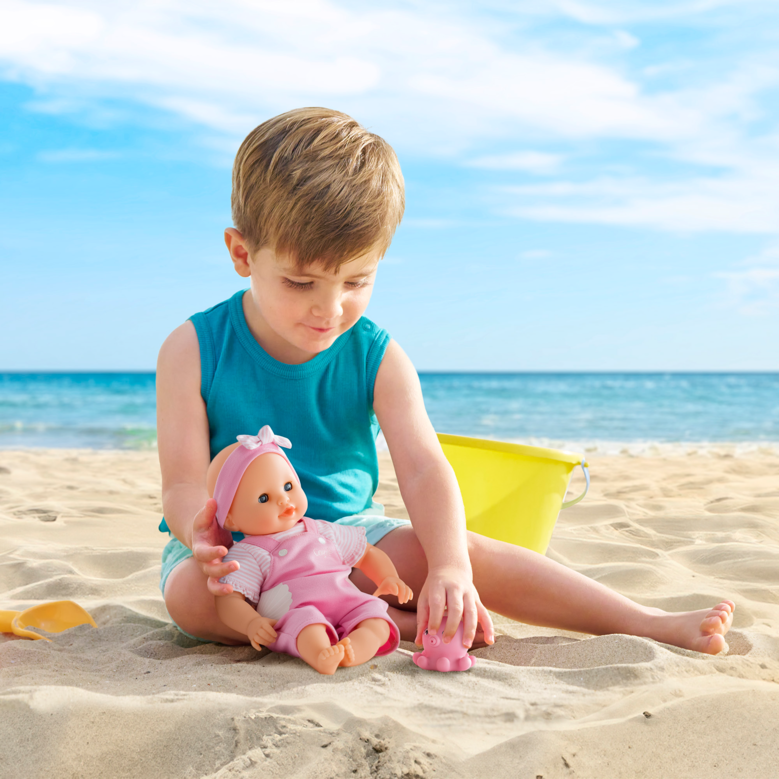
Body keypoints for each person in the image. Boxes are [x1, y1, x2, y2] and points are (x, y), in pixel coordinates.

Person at [156, 107, 734, 655]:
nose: (329, 310)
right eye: (301, 283)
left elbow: (423, 466)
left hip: (347, 543)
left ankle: (645, 622)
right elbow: (183, 484)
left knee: (459, 551)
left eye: (356, 281)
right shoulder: (193, 349)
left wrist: (452, 568)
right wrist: (201, 534)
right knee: (190, 599)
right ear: (241, 252)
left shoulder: (376, 356)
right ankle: (386, 621)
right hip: (239, 554)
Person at [207, 425, 412, 674]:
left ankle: (355, 649)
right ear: (230, 520)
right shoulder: (249, 552)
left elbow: (366, 553)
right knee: (306, 626)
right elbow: (228, 598)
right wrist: (251, 623)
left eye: (288, 487)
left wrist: (387, 577)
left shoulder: (322, 529)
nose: (284, 500)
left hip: (346, 600)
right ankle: (319, 654)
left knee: (374, 617)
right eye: (264, 498)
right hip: (297, 611)